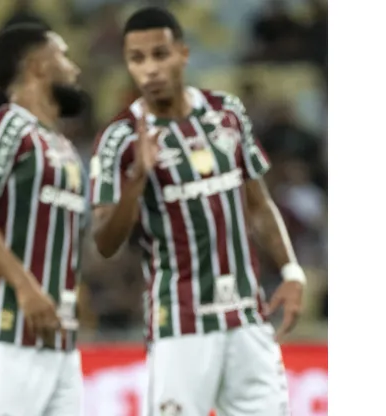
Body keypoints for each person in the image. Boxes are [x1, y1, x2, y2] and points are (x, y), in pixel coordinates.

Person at [90, 7, 305, 416]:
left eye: (160, 54)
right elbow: (104, 241)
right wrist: (136, 180)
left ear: (183, 54)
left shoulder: (226, 113)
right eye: (138, 59)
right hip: (180, 325)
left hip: (247, 318)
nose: (150, 68)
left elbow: (258, 204)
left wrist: (292, 271)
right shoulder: (120, 139)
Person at [0, 23, 87, 416]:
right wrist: (27, 288)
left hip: (59, 339)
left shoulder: (62, 146)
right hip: (5, 331)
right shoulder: (6, 125)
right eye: (63, 55)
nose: (74, 68)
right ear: (38, 65)